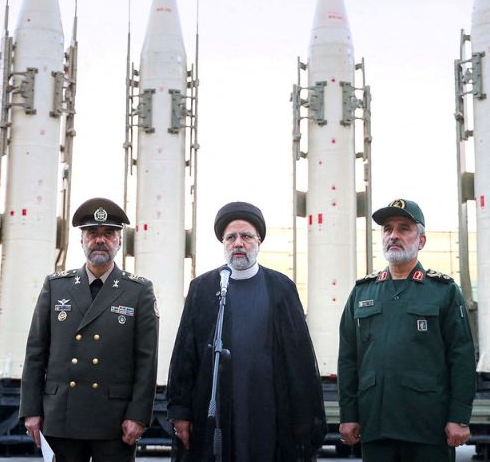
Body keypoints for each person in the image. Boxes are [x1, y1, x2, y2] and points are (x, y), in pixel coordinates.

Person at [166, 201, 327, 461]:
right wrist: (180, 411)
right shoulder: (203, 288)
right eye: (231, 237)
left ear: (259, 241)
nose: (238, 243)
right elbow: (186, 353)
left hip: (269, 407)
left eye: (246, 236)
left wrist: (303, 417)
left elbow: (301, 359)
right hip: (216, 407)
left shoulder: (280, 287)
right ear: (223, 243)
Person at [20, 197, 158, 462]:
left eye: (108, 234)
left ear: (119, 241)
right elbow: (36, 352)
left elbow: (146, 360)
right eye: (92, 233)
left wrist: (138, 415)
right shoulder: (56, 285)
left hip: (114, 420)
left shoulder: (138, 291)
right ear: (81, 240)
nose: (100, 240)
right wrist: (31, 409)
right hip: (62, 415)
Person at [337, 198, 476, 461]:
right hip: (376, 425)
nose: (394, 235)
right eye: (387, 229)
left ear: (421, 241)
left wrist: (459, 417)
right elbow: (348, 359)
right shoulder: (362, 291)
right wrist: (349, 414)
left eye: (404, 228)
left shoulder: (443, 291)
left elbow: (462, 358)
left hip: (427, 427)